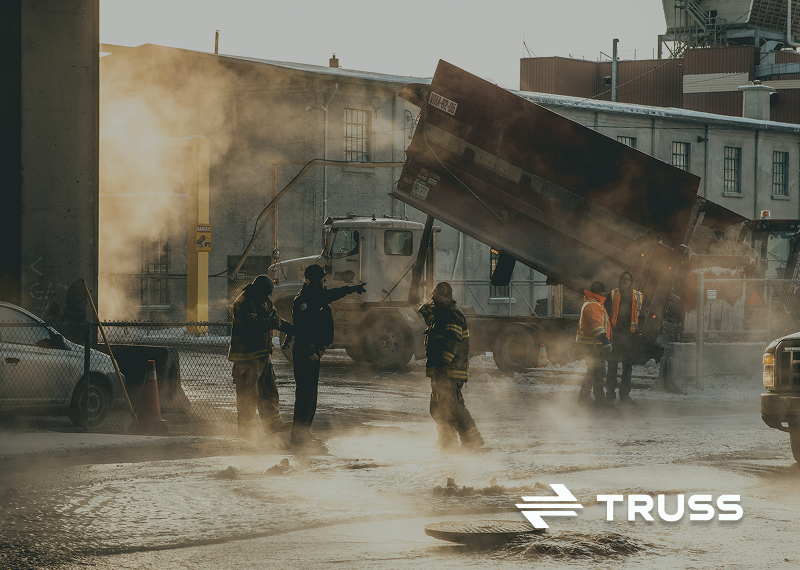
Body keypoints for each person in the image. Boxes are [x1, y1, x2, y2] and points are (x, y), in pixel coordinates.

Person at [290, 264, 366, 452]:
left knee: (311, 395)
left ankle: (305, 432)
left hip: (314, 351)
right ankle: (298, 436)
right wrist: (310, 352)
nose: (326, 281)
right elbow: (301, 330)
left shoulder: (318, 296)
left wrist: (353, 289)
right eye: (323, 278)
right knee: (305, 396)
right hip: (305, 353)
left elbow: (335, 293)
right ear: (316, 280)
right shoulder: (303, 301)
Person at [228, 275, 294, 439]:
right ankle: (246, 432)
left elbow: (274, 318)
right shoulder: (244, 302)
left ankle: (273, 424)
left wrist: (291, 328)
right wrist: (272, 323)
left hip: (262, 355)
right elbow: (251, 326)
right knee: (247, 396)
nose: (268, 298)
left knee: (268, 391)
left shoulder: (264, 300)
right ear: (259, 290)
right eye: (265, 294)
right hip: (247, 358)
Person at [419, 281, 483, 449]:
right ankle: (447, 439)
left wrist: (443, 365)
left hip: (450, 370)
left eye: (436, 298)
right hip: (440, 370)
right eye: (432, 298)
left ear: (446, 297)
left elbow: (452, 342)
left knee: (453, 407)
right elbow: (437, 332)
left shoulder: (453, 314)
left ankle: (472, 440)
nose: (433, 301)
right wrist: (427, 316)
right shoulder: (443, 313)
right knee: (438, 408)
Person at [604, 271, 643, 404]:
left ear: (631, 281)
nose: (626, 281)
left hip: (630, 336)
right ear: (620, 280)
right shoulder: (613, 294)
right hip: (615, 335)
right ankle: (610, 394)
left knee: (627, 366)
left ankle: (624, 396)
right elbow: (606, 313)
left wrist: (638, 332)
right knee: (612, 365)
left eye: (628, 279)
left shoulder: (638, 296)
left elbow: (641, 315)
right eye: (624, 279)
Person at [576, 280, 613, 407]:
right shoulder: (593, 305)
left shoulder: (593, 304)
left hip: (593, 344)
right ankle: (598, 400)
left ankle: (585, 398)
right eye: (604, 291)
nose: (606, 293)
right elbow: (596, 325)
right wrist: (605, 340)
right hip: (594, 345)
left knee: (594, 371)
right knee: (597, 371)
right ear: (599, 292)